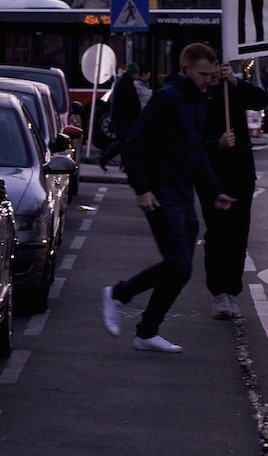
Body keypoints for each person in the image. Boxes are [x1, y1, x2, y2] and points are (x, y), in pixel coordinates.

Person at [102, 43, 234, 352]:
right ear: (185, 69)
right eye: (202, 74)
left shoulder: (200, 101)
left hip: (183, 194)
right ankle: (118, 294)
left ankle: (146, 332)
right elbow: (134, 141)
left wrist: (215, 191)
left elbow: (198, 150)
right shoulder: (168, 97)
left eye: (212, 74)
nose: (208, 80)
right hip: (160, 192)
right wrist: (141, 188)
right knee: (177, 263)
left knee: (182, 269)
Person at [201, 62, 268, 320]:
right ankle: (218, 291)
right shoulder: (199, 92)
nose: (216, 74)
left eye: (221, 68)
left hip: (240, 171)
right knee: (217, 231)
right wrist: (215, 144)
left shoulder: (234, 89)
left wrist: (237, 82)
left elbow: (261, 100)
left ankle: (232, 291)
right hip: (211, 174)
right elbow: (190, 139)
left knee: (239, 232)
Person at [99, 62, 144, 170]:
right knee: (121, 142)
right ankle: (104, 158)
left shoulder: (124, 82)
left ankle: (124, 165)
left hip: (122, 118)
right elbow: (128, 104)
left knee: (124, 142)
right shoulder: (126, 83)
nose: (138, 75)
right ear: (133, 73)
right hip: (124, 119)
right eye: (136, 73)